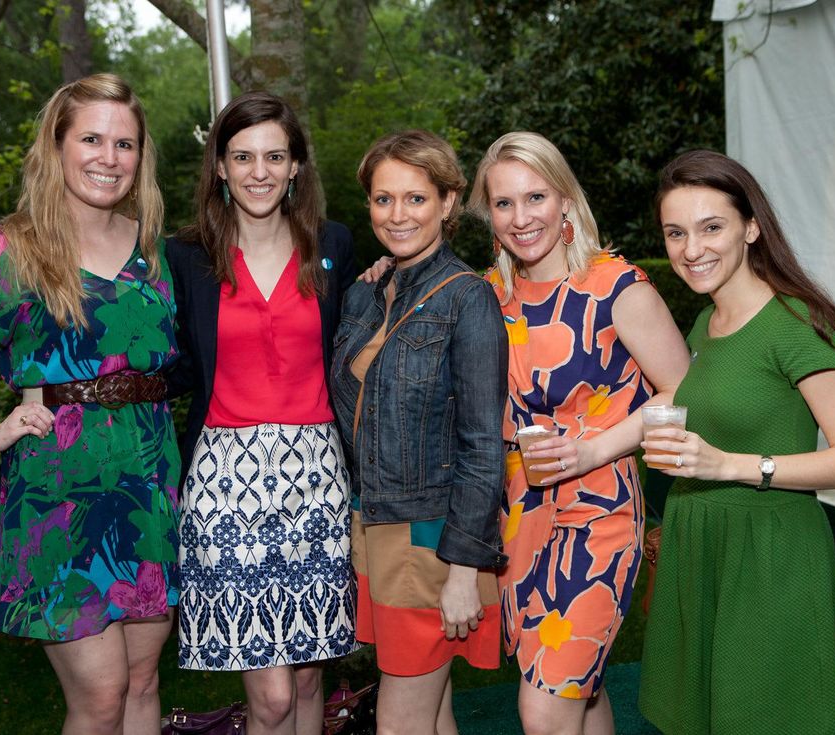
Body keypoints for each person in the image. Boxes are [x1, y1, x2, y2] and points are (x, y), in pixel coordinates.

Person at [0, 74, 179, 734]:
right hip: (60, 493)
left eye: (125, 143)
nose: (109, 156)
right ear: (57, 145)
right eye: (92, 138)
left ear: (141, 157)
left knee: (142, 680)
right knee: (101, 694)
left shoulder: (155, 248)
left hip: (146, 485)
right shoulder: (10, 246)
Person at [637, 149, 835, 735]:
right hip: (698, 542)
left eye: (711, 227)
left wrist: (729, 465)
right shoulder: (704, 325)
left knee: (764, 715)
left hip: (770, 554)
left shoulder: (798, 324)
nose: (692, 250)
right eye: (675, 233)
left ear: (752, 227)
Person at [467, 132, 690, 735]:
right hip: (519, 516)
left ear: (566, 200)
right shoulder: (490, 296)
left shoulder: (618, 288)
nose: (521, 217)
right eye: (504, 203)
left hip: (600, 511)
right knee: (576, 690)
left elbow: (684, 391)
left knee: (544, 710)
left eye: (535, 196)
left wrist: (594, 447)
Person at [164, 91, 357, 735]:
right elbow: (163, 356)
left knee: (309, 680)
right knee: (271, 696)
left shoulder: (333, 245)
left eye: (275, 156)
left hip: (320, 479)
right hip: (226, 485)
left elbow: (356, 349)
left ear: (297, 165)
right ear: (219, 166)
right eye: (242, 156)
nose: (259, 171)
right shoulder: (186, 257)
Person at [329, 129, 509, 735]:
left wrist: (464, 566)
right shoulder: (369, 293)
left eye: (415, 198)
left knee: (400, 721)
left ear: (449, 202)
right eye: (383, 200)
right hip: (377, 523)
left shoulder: (468, 299)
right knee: (433, 713)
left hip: (432, 537)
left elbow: (485, 443)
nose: (397, 215)